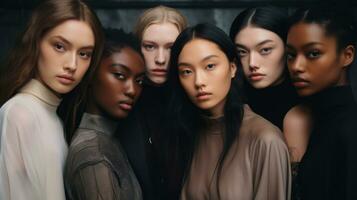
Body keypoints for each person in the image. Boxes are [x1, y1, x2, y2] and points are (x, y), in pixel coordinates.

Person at [167, 23, 291, 200]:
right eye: (186, 71)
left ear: (232, 68)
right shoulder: (188, 135)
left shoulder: (266, 140)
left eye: (210, 66)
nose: (199, 81)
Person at [0, 0, 104, 200]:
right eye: (59, 46)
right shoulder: (20, 114)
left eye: (84, 54)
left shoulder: (52, 116)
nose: (72, 65)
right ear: (35, 42)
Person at [65, 28, 145, 200]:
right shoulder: (94, 156)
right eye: (120, 75)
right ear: (91, 75)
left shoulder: (108, 141)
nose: (132, 90)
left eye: (139, 81)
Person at [286, 6, 357, 200]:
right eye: (291, 55)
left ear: (347, 55)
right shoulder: (315, 119)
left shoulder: (349, 131)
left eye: (313, 53)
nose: (296, 66)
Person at [118, 5, 187, 199]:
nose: (160, 59)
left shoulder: (195, 103)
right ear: (136, 47)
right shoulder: (122, 102)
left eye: (171, 48)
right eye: (150, 46)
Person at [229, 6, 312, 164]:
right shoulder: (234, 103)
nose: (252, 63)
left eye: (265, 50)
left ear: (288, 49)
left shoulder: (298, 116)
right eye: (242, 52)